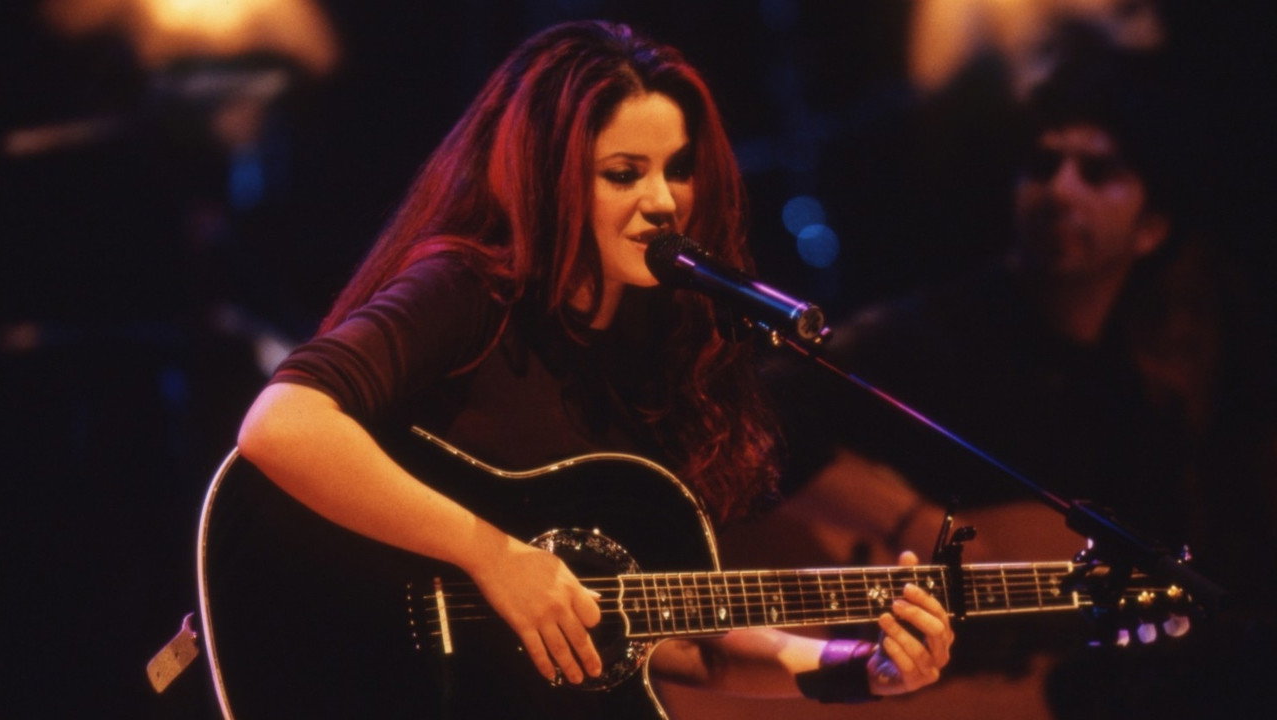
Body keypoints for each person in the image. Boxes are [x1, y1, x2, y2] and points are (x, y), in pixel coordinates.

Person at [233, 20, 953, 718]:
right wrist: (495, 558)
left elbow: (682, 646)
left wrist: (863, 669)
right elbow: (282, 425)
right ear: (550, 180)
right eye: (623, 174)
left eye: (678, 170)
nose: (663, 202)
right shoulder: (470, 290)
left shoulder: (663, 353)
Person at [740, 50, 1276, 720]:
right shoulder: (934, 334)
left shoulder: (1141, 398)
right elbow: (755, 414)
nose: (1060, 190)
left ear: (1151, 229)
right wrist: (910, 521)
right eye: (1043, 166)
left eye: (1097, 172)